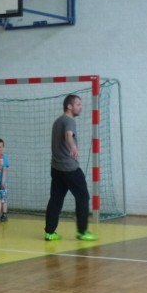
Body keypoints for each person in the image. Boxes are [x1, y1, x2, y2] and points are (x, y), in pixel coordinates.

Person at [44, 94, 97, 242]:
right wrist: (73, 147)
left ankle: (50, 232)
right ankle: (82, 232)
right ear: (69, 106)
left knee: (56, 199)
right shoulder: (69, 121)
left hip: (56, 168)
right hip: (70, 169)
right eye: (78, 104)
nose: (81, 107)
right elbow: (68, 135)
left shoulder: (58, 121)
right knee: (83, 197)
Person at [0, 138, 10, 222]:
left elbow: (4, 170)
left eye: (0, 147)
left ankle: (4, 214)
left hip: (2, 182)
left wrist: (2, 182)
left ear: (3, 147)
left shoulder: (4, 158)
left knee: (3, 198)